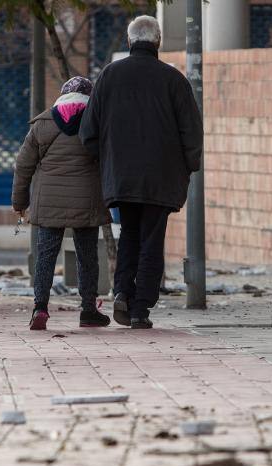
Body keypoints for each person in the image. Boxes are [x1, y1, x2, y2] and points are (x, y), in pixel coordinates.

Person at [79, 15, 203, 329]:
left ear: (130, 40)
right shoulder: (174, 80)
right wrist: (188, 166)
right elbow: (191, 132)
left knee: (130, 235)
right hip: (161, 176)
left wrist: (107, 162)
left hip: (121, 176)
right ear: (157, 42)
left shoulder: (109, 76)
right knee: (151, 240)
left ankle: (122, 290)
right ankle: (140, 309)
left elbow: (88, 131)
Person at [12, 76, 111, 330]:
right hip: (86, 200)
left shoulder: (42, 124)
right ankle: (88, 309)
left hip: (49, 202)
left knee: (45, 255)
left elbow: (23, 166)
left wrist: (19, 202)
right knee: (87, 256)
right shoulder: (98, 120)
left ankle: (40, 308)